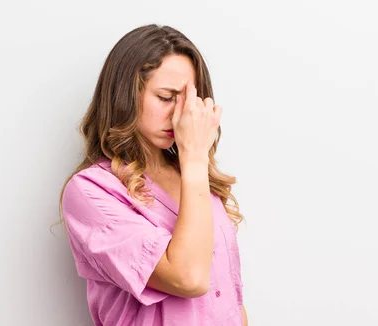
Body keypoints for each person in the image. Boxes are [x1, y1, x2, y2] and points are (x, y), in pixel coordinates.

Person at [58, 24, 247, 326]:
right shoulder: (91, 191)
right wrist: (195, 157)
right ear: (125, 96)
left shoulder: (194, 178)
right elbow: (189, 279)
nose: (179, 115)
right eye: (166, 97)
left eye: (187, 100)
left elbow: (229, 298)